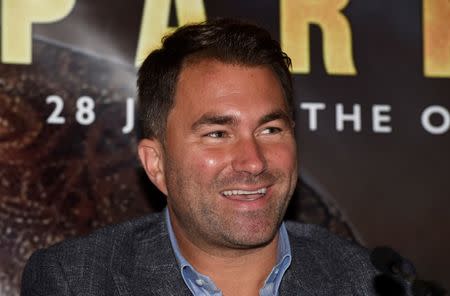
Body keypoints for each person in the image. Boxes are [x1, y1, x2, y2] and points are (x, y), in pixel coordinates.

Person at [22, 19, 391, 296]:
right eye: (217, 134)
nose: (253, 161)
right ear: (156, 164)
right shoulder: (75, 281)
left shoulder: (367, 281)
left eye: (270, 130)